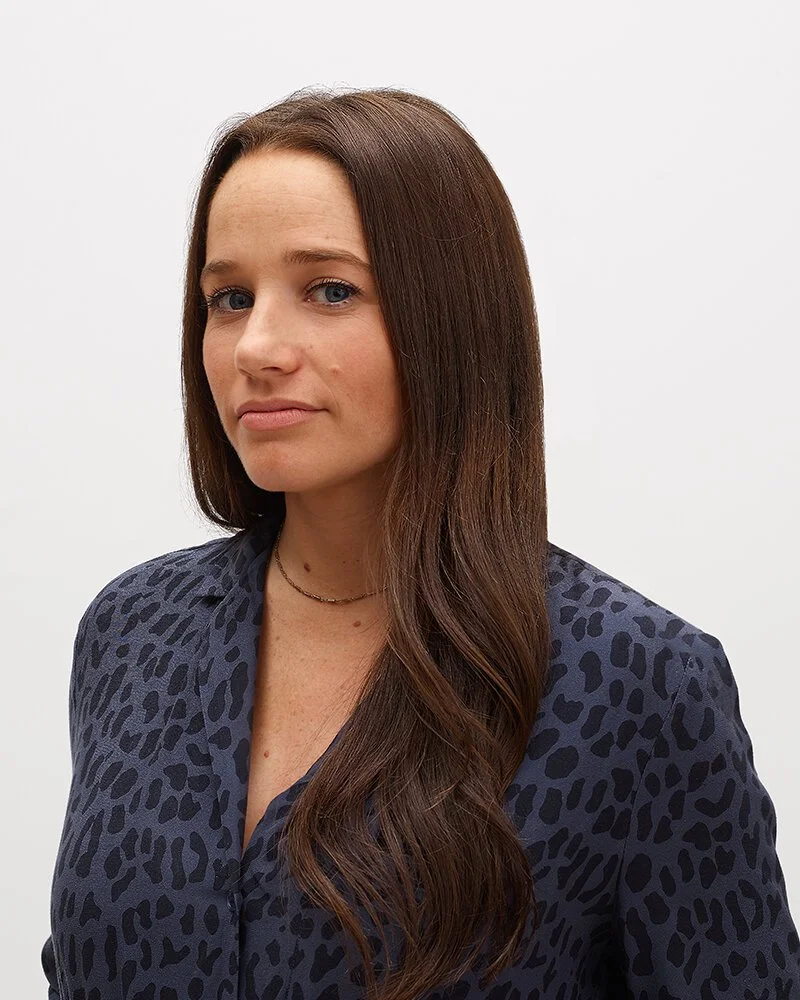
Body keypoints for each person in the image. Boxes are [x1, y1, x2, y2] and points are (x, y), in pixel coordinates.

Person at [41, 86, 799, 1000]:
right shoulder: (133, 632)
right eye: (229, 298)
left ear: (451, 318)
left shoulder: (635, 683)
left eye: (330, 290)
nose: (255, 347)